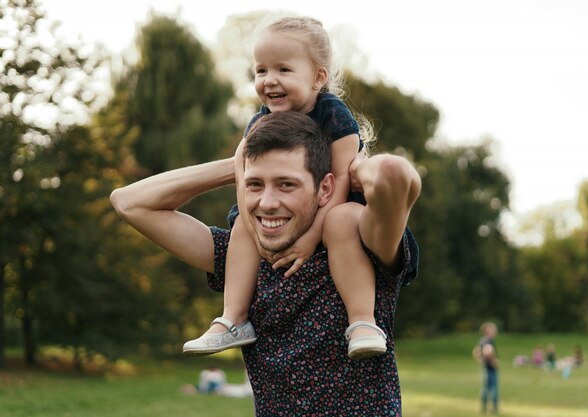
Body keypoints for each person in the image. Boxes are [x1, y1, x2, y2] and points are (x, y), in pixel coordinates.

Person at [110, 111, 421, 415]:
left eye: (286, 184)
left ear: (325, 188)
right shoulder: (241, 262)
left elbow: (394, 173)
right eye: (255, 185)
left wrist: (351, 169)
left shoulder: (358, 245)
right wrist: (236, 165)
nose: (267, 203)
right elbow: (130, 202)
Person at [182, 16, 384, 360]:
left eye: (283, 70)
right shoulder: (260, 120)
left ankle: (362, 322)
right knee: (242, 226)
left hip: (332, 209)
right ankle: (233, 318)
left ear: (318, 77)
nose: (269, 81)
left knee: (343, 220)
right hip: (286, 209)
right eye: (261, 71)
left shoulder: (334, 116)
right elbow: (242, 169)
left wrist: (309, 238)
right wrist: (252, 220)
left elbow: (338, 185)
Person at [473, 322, 499, 415]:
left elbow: (476, 352)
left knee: (485, 388)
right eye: (494, 329)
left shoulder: (482, 340)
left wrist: (481, 360)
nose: (495, 331)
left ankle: (483, 408)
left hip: (485, 367)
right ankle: (494, 408)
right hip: (490, 368)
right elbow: (488, 351)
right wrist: (493, 361)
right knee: (493, 388)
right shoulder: (488, 340)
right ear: (488, 331)